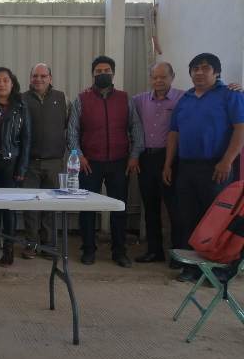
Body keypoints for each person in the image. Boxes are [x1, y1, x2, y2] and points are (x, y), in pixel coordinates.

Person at [163, 53, 244, 282]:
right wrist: (168, 164)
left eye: (205, 68)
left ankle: (219, 269)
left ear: (216, 72)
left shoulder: (230, 95)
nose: (199, 72)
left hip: (217, 167)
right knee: (187, 217)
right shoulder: (185, 99)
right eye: (195, 69)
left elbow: (240, 129)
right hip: (187, 167)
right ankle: (192, 268)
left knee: (218, 220)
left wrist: (227, 161)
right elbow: (174, 133)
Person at [67, 55, 144, 268]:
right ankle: (88, 249)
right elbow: (72, 131)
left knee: (119, 208)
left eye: (106, 71)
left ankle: (119, 251)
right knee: (87, 208)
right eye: (98, 71)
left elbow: (136, 128)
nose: (103, 74)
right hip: (89, 163)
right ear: (93, 74)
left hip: (119, 162)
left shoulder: (125, 99)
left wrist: (135, 155)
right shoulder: (81, 99)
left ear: (113, 73)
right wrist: (79, 155)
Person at [132, 62, 184, 265]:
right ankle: (155, 251)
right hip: (146, 159)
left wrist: (232, 87)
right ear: (150, 79)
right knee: (150, 207)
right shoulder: (139, 100)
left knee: (174, 208)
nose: (159, 81)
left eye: (163, 77)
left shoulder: (183, 98)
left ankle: (178, 255)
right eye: (155, 77)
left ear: (172, 77)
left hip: (170, 159)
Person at [0, 67, 31, 266]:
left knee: (8, 209)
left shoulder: (21, 107)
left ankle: (8, 250)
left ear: (12, 83)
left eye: (5, 80)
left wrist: (22, 168)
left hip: (12, 164)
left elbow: (27, 140)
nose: (1, 84)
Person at [20, 63, 69, 259]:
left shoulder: (61, 98)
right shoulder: (22, 99)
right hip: (30, 162)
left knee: (50, 205)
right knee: (30, 206)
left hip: (54, 162)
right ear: (30, 78)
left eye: (43, 76)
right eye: (35, 76)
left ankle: (49, 245)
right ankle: (31, 244)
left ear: (50, 78)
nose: (38, 79)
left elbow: (68, 125)